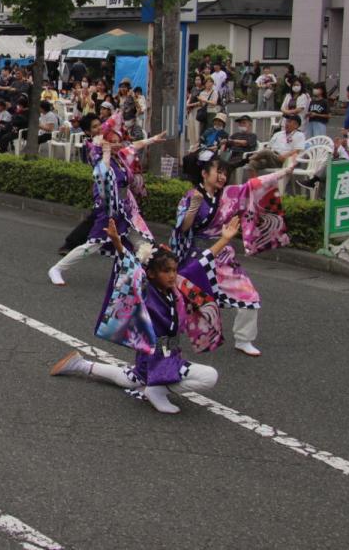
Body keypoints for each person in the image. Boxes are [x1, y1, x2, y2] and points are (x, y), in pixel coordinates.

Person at [49, 216, 231, 414]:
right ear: (151, 274)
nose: (172, 275)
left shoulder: (177, 287)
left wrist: (225, 239)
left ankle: (82, 365)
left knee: (130, 378)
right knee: (209, 376)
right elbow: (130, 266)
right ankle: (156, 390)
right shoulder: (146, 290)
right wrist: (118, 243)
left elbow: (201, 263)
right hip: (156, 358)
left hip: (162, 357)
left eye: (174, 270)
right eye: (166, 271)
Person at [173, 152, 295, 356]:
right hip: (197, 258)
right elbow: (183, 228)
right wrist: (193, 207)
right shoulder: (192, 196)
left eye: (225, 173)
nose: (222, 176)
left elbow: (254, 185)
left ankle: (243, 339)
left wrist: (284, 172)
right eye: (217, 172)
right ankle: (164, 335)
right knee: (180, 301)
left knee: (249, 295)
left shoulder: (229, 194)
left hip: (223, 256)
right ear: (204, 173)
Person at [47, 112, 166, 286]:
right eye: (94, 127)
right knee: (92, 245)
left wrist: (152, 140)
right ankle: (57, 269)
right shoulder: (93, 150)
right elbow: (102, 172)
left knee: (143, 243)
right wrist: (107, 152)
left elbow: (133, 146)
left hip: (126, 208)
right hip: (108, 206)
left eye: (99, 125)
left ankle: (137, 276)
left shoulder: (116, 152)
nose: (99, 129)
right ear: (88, 132)